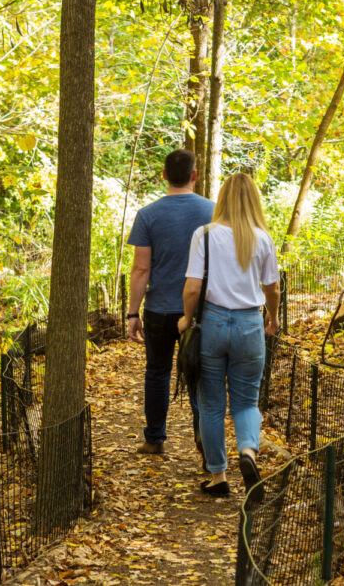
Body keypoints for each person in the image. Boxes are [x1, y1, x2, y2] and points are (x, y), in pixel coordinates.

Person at [179, 173, 280, 498]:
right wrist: (273, 318)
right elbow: (273, 288)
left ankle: (218, 476)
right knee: (246, 401)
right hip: (251, 324)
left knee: (210, 404)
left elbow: (193, 288)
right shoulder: (262, 238)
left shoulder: (204, 235)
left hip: (213, 325)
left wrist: (186, 319)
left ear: (221, 200)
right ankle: (248, 452)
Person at [126, 149, 215, 457]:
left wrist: (132, 312)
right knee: (199, 375)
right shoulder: (215, 212)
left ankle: (154, 439)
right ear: (194, 175)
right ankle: (205, 442)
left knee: (157, 372)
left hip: (160, 310)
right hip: (202, 310)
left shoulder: (148, 215)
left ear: (163, 175)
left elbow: (141, 268)